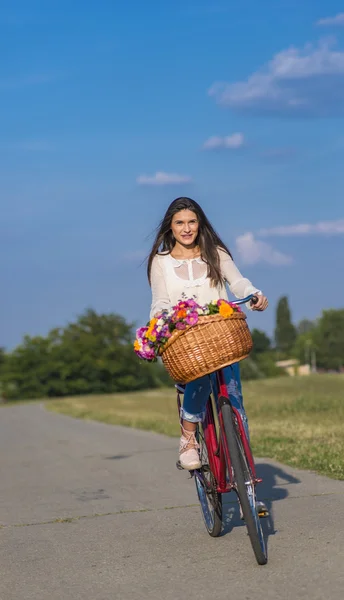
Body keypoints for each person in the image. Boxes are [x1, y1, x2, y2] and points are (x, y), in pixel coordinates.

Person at [147, 197, 268, 471]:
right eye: (180, 223)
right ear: (170, 227)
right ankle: (189, 440)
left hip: (221, 334)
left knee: (236, 405)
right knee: (199, 377)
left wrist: (253, 296)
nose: (186, 229)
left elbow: (238, 282)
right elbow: (161, 299)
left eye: (192, 222)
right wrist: (161, 319)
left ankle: (247, 484)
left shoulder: (216, 253)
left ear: (200, 224)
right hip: (189, 340)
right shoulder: (161, 262)